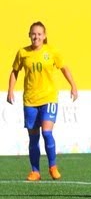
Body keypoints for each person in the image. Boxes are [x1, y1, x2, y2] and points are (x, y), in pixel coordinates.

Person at [7, 21, 78, 181]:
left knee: (47, 133)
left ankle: (53, 167)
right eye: (33, 34)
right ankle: (35, 171)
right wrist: (10, 90)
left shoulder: (51, 51)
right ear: (29, 35)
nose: (36, 37)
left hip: (49, 98)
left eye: (39, 34)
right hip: (30, 101)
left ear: (44, 36)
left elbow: (64, 68)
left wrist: (73, 85)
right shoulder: (23, 53)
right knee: (33, 138)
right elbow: (15, 71)